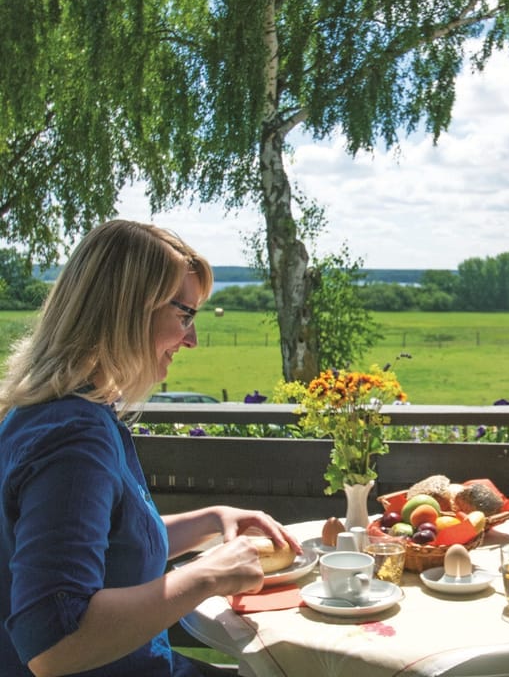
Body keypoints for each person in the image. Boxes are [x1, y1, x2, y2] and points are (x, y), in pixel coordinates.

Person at [0, 220, 300, 677]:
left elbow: (104, 543)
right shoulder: (73, 439)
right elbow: (53, 644)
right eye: (184, 315)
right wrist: (208, 575)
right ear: (127, 310)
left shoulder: (54, 410)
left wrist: (211, 519)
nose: (193, 339)